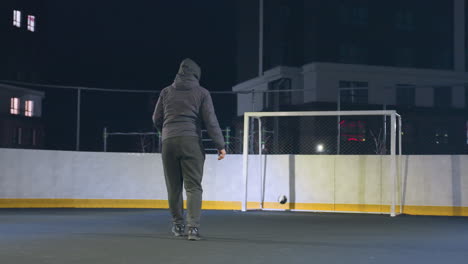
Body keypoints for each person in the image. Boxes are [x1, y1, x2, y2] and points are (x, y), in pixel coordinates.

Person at [152, 58, 226, 241]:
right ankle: (193, 229)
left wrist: (167, 131)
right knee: (193, 187)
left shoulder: (166, 91)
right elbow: (210, 120)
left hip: (168, 142)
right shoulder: (202, 93)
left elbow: (156, 118)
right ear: (197, 74)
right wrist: (220, 145)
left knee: (173, 187)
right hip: (191, 141)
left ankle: (178, 225)